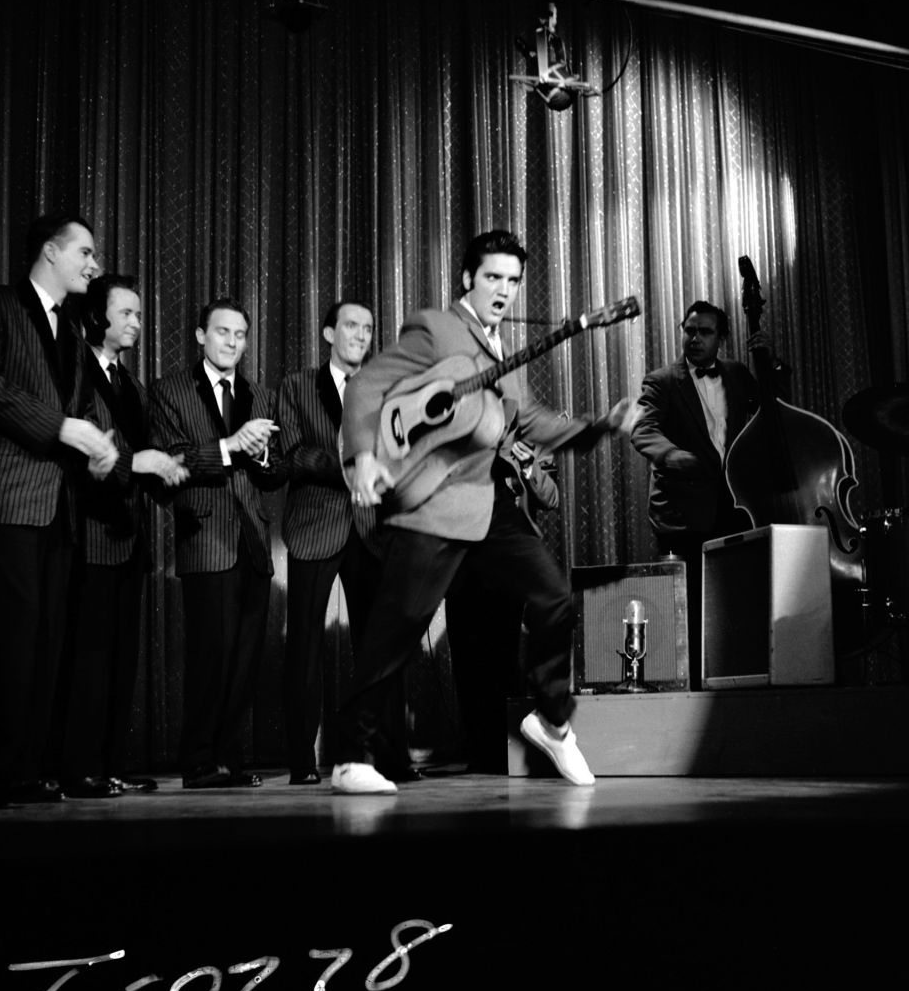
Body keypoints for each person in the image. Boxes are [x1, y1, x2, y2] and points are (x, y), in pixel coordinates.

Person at [333, 228, 638, 793]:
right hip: (432, 502)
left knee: (553, 594)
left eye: (513, 280)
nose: (503, 290)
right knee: (395, 635)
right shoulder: (434, 328)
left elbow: (531, 422)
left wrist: (599, 427)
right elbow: (365, 388)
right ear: (468, 279)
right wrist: (364, 460)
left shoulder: (509, 353)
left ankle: (551, 720)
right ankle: (351, 757)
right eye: (493, 277)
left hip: (489, 501)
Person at [0, 212, 119, 809]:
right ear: (50, 251)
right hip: (2, 502)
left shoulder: (71, 332)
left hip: (56, 509)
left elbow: (77, 415)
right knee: (10, 642)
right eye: (86, 252)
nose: (94, 265)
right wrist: (61, 427)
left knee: (45, 643)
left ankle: (24, 770)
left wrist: (99, 448)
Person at [56, 274, 189, 799]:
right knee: (86, 658)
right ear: (97, 317)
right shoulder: (76, 369)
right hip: (86, 535)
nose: (137, 322)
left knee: (118, 660)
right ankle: (77, 767)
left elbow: (143, 455)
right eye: (127, 313)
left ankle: (107, 764)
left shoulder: (131, 384)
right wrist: (142, 461)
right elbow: (87, 448)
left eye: (138, 313)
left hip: (127, 541)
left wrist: (166, 473)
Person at [148, 296, 288, 789]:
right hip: (206, 538)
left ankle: (228, 759)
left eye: (240, 335)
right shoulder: (170, 391)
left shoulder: (259, 394)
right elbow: (171, 463)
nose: (232, 342)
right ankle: (199, 762)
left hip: (252, 541)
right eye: (223, 332)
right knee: (210, 657)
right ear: (200, 336)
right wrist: (231, 446)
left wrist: (267, 456)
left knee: (245, 660)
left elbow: (272, 476)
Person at [277, 300, 418, 785]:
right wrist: (350, 468)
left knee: (381, 648)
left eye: (368, 328)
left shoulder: (385, 388)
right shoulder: (297, 386)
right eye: (351, 326)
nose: (360, 334)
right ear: (328, 333)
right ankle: (302, 763)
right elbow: (291, 455)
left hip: (372, 530)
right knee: (305, 648)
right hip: (316, 527)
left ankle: (392, 757)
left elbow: (399, 452)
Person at [630, 300, 784, 687]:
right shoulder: (662, 380)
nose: (694, 338)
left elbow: (771, 404)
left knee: (732, 606)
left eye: (705, 332)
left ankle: (729, 685)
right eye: (689, 330)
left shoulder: (735, 373)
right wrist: (672, 455)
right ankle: (685, 690)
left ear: (721, 339)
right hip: (683, 513)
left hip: (734, 507)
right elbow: (642, 429)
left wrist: (770, 362)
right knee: (688, 609)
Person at [446, 433, 560, 774]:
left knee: (503, 656)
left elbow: (550, 498)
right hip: (462, 561)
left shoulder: (534, 437)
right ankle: (479, 753)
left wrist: (527, 468)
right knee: (465, 658)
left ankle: (503, 753)